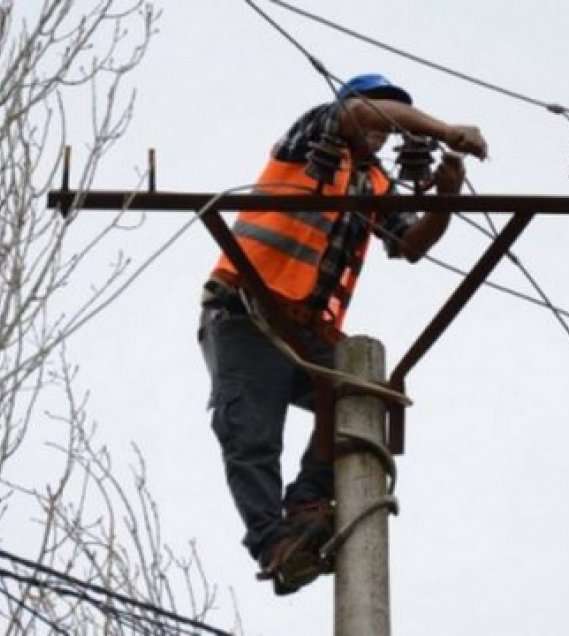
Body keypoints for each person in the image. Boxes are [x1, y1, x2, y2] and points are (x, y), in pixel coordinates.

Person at [198, 73, 487, 594]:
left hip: (306, 330)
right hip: (246, 311)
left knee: (361, 403)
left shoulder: (375, 183)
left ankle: (309, 501)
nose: (384, 131)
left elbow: (411, 244)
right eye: (382, 114)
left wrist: (444, 196)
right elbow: (359, 116)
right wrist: (445, 130)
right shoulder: (314, 136)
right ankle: (275, 544)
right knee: (251, 433)